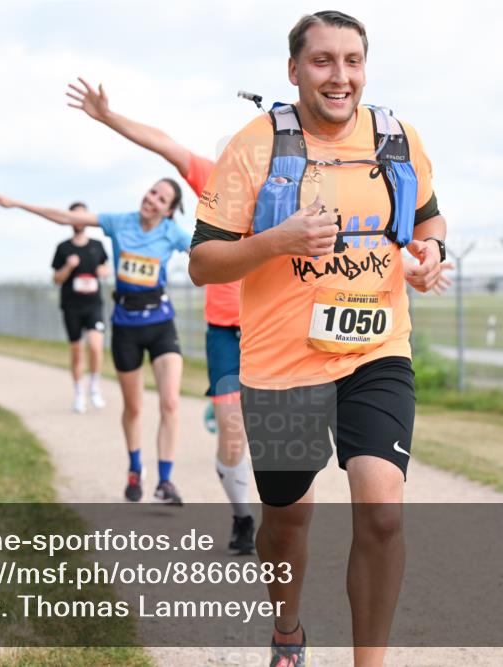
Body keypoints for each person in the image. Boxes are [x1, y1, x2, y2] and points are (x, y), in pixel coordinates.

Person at [189, 11, 446, 667]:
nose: (340, 76)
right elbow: (203, 263)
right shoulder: (253, 146)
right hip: (282, 365)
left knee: (382, 511)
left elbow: (428, 216)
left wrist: (431, 251)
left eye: (352, 61)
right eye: (323, 61)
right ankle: (287, 629)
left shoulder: (397, 137)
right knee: (286, 520)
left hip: (376, 349)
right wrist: (280, 240)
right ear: (294, 69)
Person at [67, 77, 254, 551]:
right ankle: (243, 518)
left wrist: (418, 259)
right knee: (235, 435)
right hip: (227, 331)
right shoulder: (214, 178)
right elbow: (165, 145)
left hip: (278, 330)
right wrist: (108, 117)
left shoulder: (294, 192)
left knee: (284, 441)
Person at [0, 180, 192, 505]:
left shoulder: (173, 233)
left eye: (161, 198)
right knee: (134, 407)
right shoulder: (119, 222)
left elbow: (210, 253)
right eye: (152, 191)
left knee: (170, 402)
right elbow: (67, 219)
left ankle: (165, 481)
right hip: (126, 325)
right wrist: (17, 203)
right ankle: (135, 469)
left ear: (169, 210)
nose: (151, 199)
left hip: (161, 323)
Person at [51, 201, 110, 413]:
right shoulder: (63, 248)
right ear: (69, 219)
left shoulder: (97, 246)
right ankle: (79, 392)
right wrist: (69, 266)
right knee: (76, 352)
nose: (78, 219)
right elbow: (56, 278)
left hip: (93, 304)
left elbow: (105, 268)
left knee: (95, 346)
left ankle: (94, 384)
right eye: (74, 215)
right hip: (71, 306)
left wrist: (104, 271)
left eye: (82, 215)